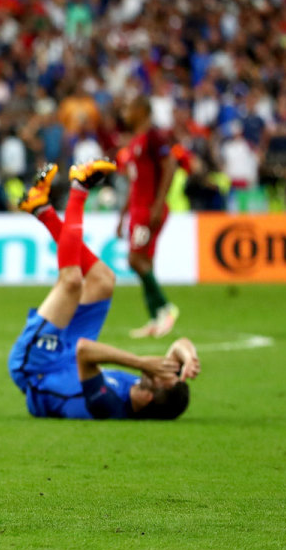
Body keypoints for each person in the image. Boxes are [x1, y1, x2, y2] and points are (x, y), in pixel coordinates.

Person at [12, 162, 200, 420]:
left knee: (72, 282)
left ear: (147, 398)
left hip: (38, 368)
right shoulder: (142, 387)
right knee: (103, 280)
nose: (159, 373)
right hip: (67, 359)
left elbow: (85, 351)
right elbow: (180, 345)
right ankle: (40, 208)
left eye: (160, 379)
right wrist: (188, 357)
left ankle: (79, 187)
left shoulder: (107, 404)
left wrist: (142, 363)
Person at [115, 96, 180, 338]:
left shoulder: (154, 137)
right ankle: (155, 318)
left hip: (148, 210)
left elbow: (170, 165)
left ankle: (165, 307)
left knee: (134, 259)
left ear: (142, 110)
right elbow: (135, 183)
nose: (125, 113)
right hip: (137, 210)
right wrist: (122, 216)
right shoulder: (135, 141)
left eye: (129, 107)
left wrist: (158, 204)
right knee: (145, 262)